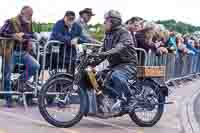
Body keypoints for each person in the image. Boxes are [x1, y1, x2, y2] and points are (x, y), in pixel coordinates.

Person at [92, 10, 137, 112]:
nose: (104, 23)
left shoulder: (124, 33)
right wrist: (92, 61)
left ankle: (130, 99)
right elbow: (102, 52)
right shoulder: (107, 35)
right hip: (114, 65)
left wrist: (103, 54)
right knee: (98, 77)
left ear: (113, 22)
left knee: (116, 76)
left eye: (106, 21)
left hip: (127, 64)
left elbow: (119, 48)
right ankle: (108, 101)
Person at [0, 6, 40, 107]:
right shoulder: (11, 21)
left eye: (31, 15)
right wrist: (14, 35)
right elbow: (1, 32)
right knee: (7, 75)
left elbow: (30, 34)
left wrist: (32, 38)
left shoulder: (30, 23)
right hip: (10, 51)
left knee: (35, 66)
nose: (30, 17)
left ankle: (19, 82)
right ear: (22, 12)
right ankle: (8, 99)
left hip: (23, 51)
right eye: (29, 14)